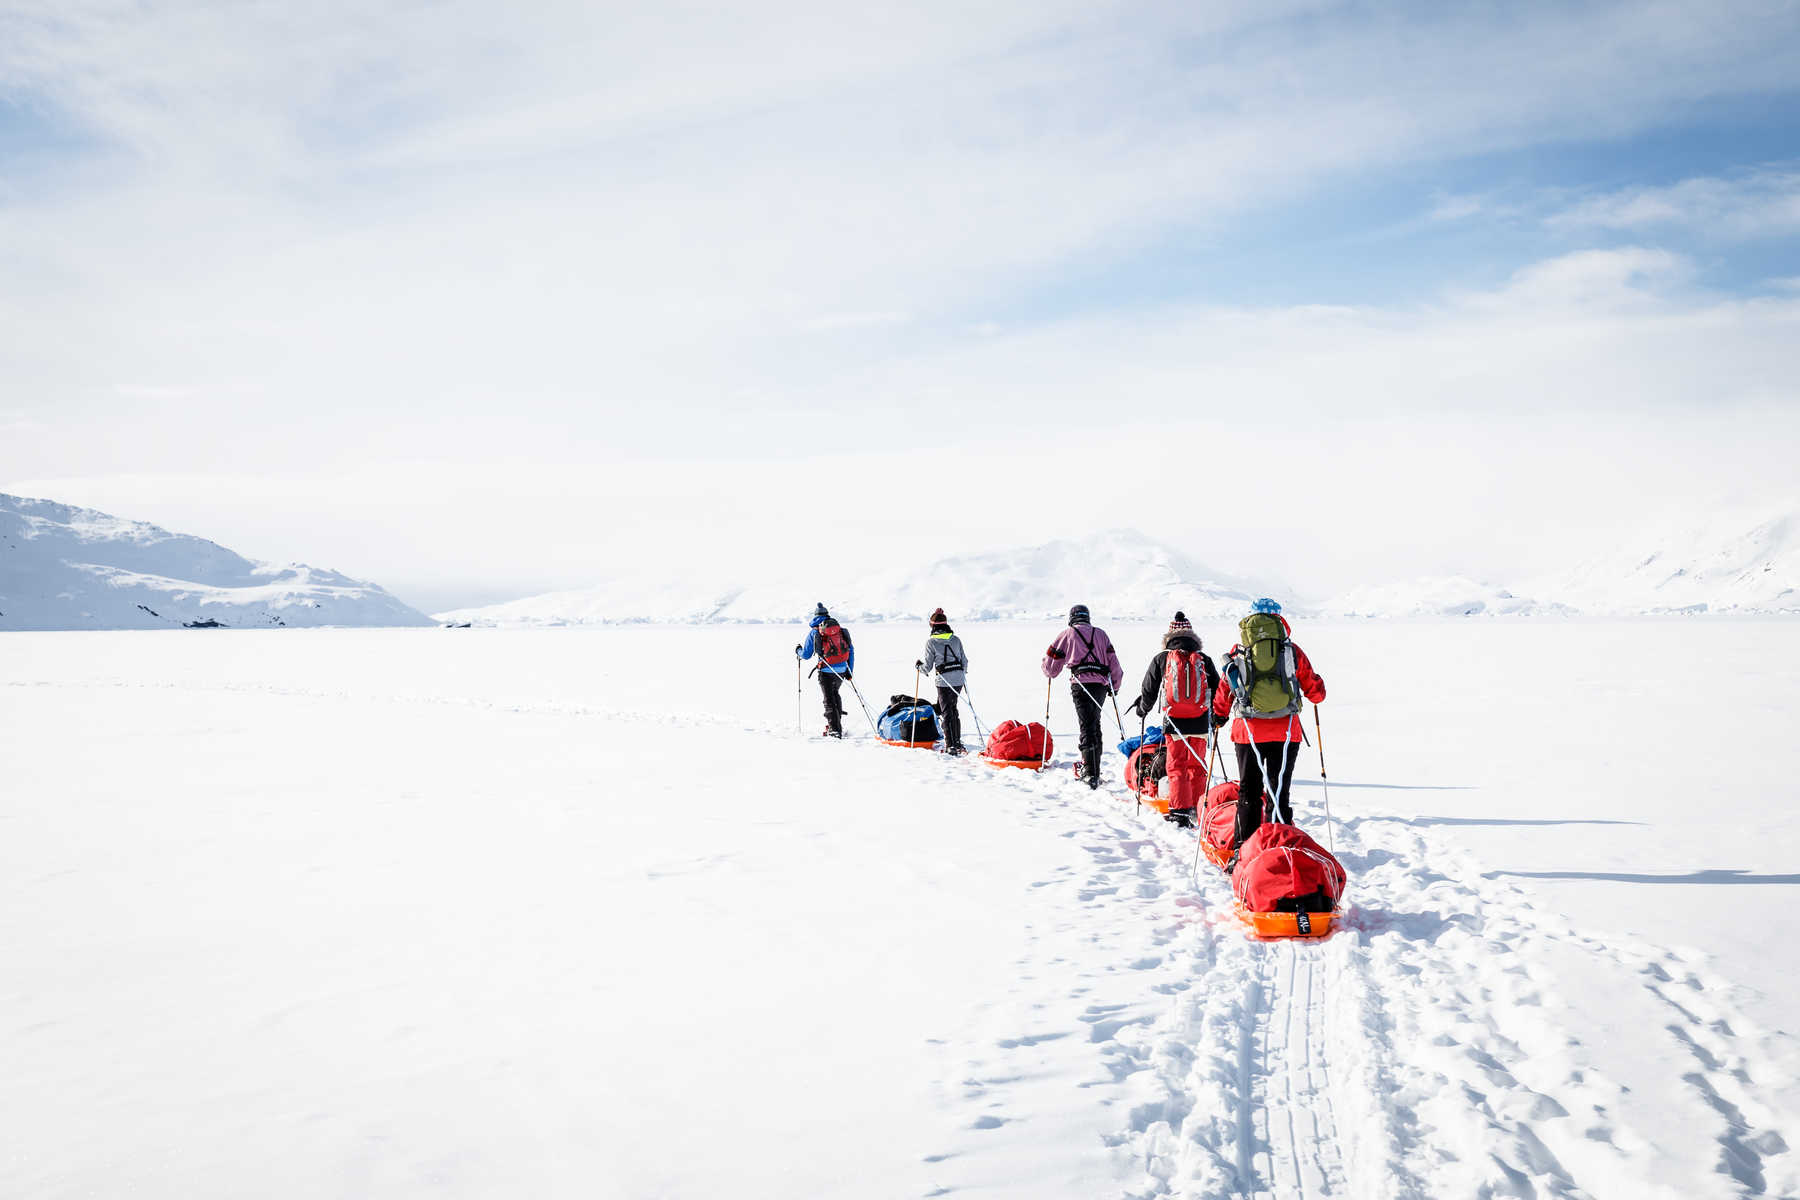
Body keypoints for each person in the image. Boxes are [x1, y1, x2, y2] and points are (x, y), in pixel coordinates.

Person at [1211, 598, 1326, 869]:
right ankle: (1280, 848)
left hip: (1247, 732)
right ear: (1278, 620)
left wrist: (1218, 716)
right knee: (1278, 792)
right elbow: (1314, 691)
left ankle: (1242, 853)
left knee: (1249, 792)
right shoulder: (1292, 651)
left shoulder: (1239, 651)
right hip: (1286, 732)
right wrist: (1318, 689)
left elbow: (1226, 689)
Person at [1126, 611, 1223, 826]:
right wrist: (1217, 716)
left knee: (1177, 766)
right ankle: (1198, 809)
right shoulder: (1204, 660)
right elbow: (1218, 688)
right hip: (1200, 721)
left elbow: (1149, 689)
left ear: (1169, 636)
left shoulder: (1162, 658)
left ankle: (1179, 811)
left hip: (1174, 722)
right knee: (1197, 766)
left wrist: (1143, 709)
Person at [1042, 604, 1124, 788]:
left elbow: (1051, 664)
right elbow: (1115, 664)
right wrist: (1115, 687)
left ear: (1071, 618)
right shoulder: (1101, 634)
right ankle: (1093, 768)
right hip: (1100, 686)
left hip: (1080, 685)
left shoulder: (1068, 634)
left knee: (1087, 726)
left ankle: (1090, 773)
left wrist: (1049, 671)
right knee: (1094, 724)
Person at [915, 607, 970, 755]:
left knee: (947, 712)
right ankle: (956, 741)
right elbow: (964, 661)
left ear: (933, 626)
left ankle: (951, 745)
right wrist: (960, 675)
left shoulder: (931, 642)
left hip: (944, 681)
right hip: (958, 680)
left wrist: (918, 667)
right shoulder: (956, 640)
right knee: (952, 709)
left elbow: (926, 668)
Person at [796, 603, 856, 737]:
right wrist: (849, 671)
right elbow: (850, 650)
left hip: (826, 670)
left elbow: (806, 654)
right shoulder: (840, 630)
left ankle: (835, 730)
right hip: (842, 669)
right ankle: (836, 724)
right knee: (835, 695)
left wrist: (798, 651)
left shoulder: (815, 631)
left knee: (829, 700)